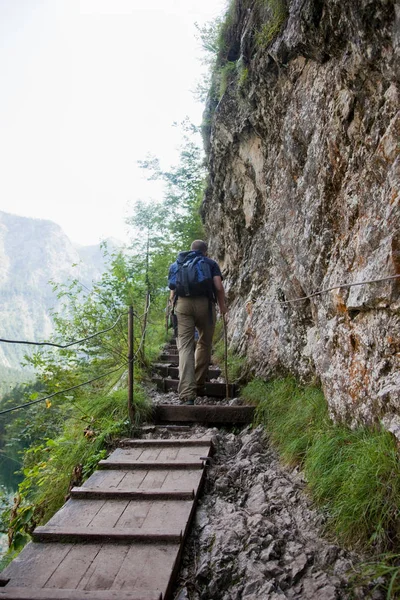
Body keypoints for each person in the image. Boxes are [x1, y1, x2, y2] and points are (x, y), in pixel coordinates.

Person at [168, 240, 227, 405]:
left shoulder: (177, 264)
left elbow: (172, 291)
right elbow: (218, 286)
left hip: (183, 305)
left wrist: (172, 308)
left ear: (190, 249)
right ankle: (199, 384)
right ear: (205, 251)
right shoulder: (210, 263)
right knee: (204, 343)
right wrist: (223, 308)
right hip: (205, 304)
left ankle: (187, 393)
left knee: (185, 347)